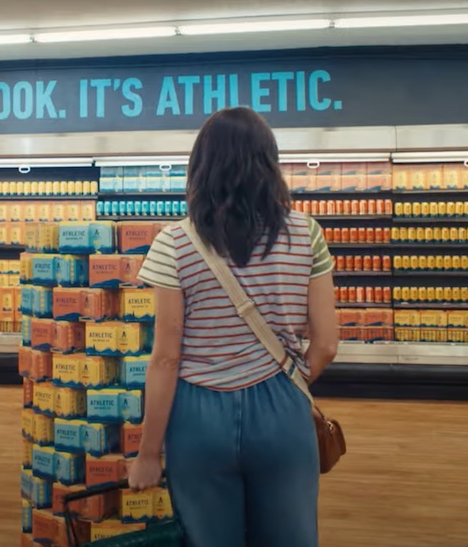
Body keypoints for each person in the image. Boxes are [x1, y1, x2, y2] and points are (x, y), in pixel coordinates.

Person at [128, 107, 339, 547]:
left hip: (198, 414)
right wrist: (287, 382)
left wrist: (148, 454)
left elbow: (166, 358)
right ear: (269, 163)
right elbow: (327, 344)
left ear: (200, 167)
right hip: (281, 408)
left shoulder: (175, 242)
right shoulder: (307, 233)